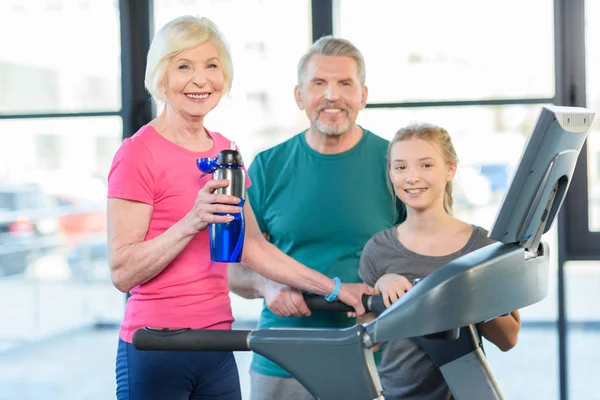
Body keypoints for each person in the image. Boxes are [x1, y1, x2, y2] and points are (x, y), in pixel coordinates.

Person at [107, 16, 371, 400]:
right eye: (184, 66)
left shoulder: (224, 150)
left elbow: (255, 248)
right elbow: (122, 272)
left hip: (217, 344)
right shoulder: (137, 153)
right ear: (161, 77)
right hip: (156, 345)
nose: (201, 80)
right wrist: (192, 221)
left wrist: (333, 288)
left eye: (211, 66)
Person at [227, 36, 406, 400]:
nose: (332, 96)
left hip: (374, 353)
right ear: (299, 96)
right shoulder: (266, 167)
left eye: (345, 84)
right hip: (283, 356)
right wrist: (267, 285)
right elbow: (234, 269)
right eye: (319, 84)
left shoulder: (396, 163)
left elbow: (422, 251)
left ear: (363, 95)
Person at [358, 123, 521, 400]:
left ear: (450, 169)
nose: (412, 177)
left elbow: (508, 339)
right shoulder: (378, 249)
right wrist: (381, 287)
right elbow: (368, 342)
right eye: (400, 167)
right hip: (395, 394)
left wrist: (468, 298)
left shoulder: (482, 247)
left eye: (425, 165)